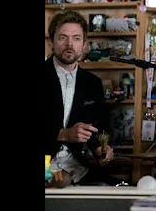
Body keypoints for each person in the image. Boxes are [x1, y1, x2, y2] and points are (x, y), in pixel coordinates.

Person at [44, 10, 123, 186]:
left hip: (78, 169)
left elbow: (99, 128)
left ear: (84, 44)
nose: (69, 44)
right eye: (62, 37)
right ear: (51, 41)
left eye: (76, 38)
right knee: (60, 181)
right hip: (46, 167)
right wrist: (63, 134)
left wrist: (101, 150)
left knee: (119, 193)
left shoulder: (92, 83)